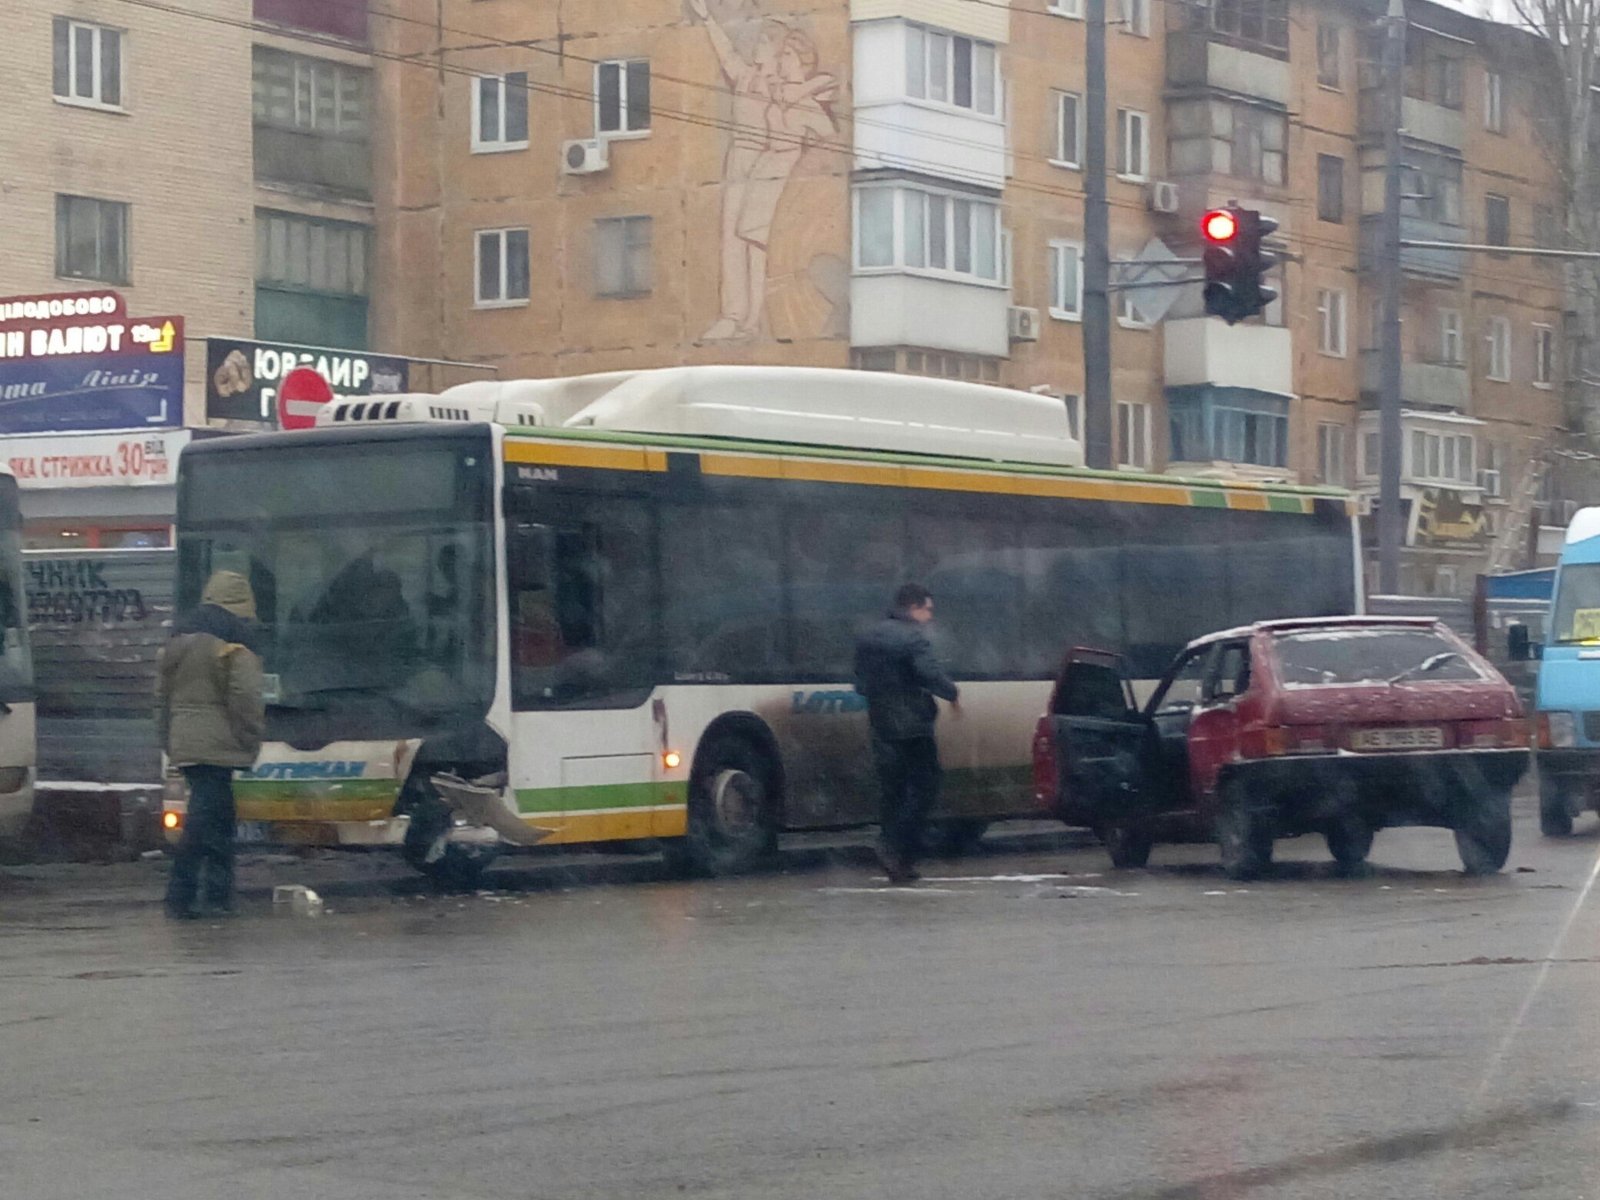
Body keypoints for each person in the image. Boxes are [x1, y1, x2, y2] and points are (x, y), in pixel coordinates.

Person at [157, 570, 265, 919]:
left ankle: (219, 894)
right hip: (218, 745)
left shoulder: (178, 640)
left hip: (185, 741)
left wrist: (169, 739)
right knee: (205, 822)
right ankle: (181, 895)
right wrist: (250, 740)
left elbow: (160, 698)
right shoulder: (235, 642)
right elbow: (245, 698)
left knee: (218, 818)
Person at [853, 583, 960, 884]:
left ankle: (896, 858)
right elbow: (929, 674)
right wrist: (950, 692)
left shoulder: (868, 637)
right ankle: (897, 847)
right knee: (926, 786)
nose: (929, 617)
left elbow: (860, 684)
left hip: (882, 723)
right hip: (913, 724)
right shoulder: (914, 638)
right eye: (928, 610)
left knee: (893, 790)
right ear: (913, 608)